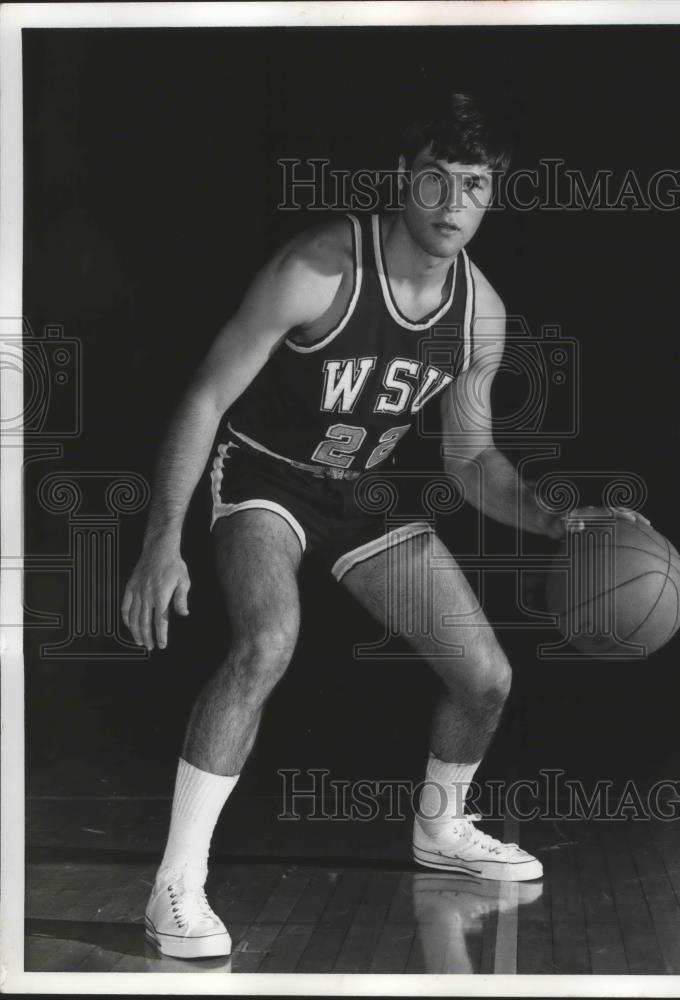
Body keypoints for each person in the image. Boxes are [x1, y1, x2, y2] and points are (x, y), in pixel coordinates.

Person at [122, 93, 645, 959]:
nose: (450, 204)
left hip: (361, 489)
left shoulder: (478, 314)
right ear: (404, 181)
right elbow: (205, 396)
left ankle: (440, 831)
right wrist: (158, 539)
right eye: (435, 180)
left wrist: (559, 518)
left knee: (484, 677)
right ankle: (174, 886)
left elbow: (471, 461)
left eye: (471, 185)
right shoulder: (320, 267)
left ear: (491, 195)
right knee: (267, 641)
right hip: (263, 476)